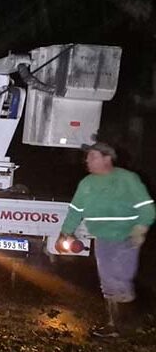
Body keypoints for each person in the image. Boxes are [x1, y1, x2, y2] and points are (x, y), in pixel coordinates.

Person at [58, 141, 154, 338]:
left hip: (126, 237)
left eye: (92, 156)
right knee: (108, 281)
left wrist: (140, 228)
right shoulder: (87, 184)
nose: (87, 160)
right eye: (87, 157)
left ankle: (127, 323)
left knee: (120, 279)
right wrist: (66, 231)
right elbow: (75, 210)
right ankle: (114, 325)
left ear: (107, 158)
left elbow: (147, 208)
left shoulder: (127, 179)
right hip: (102, 239)